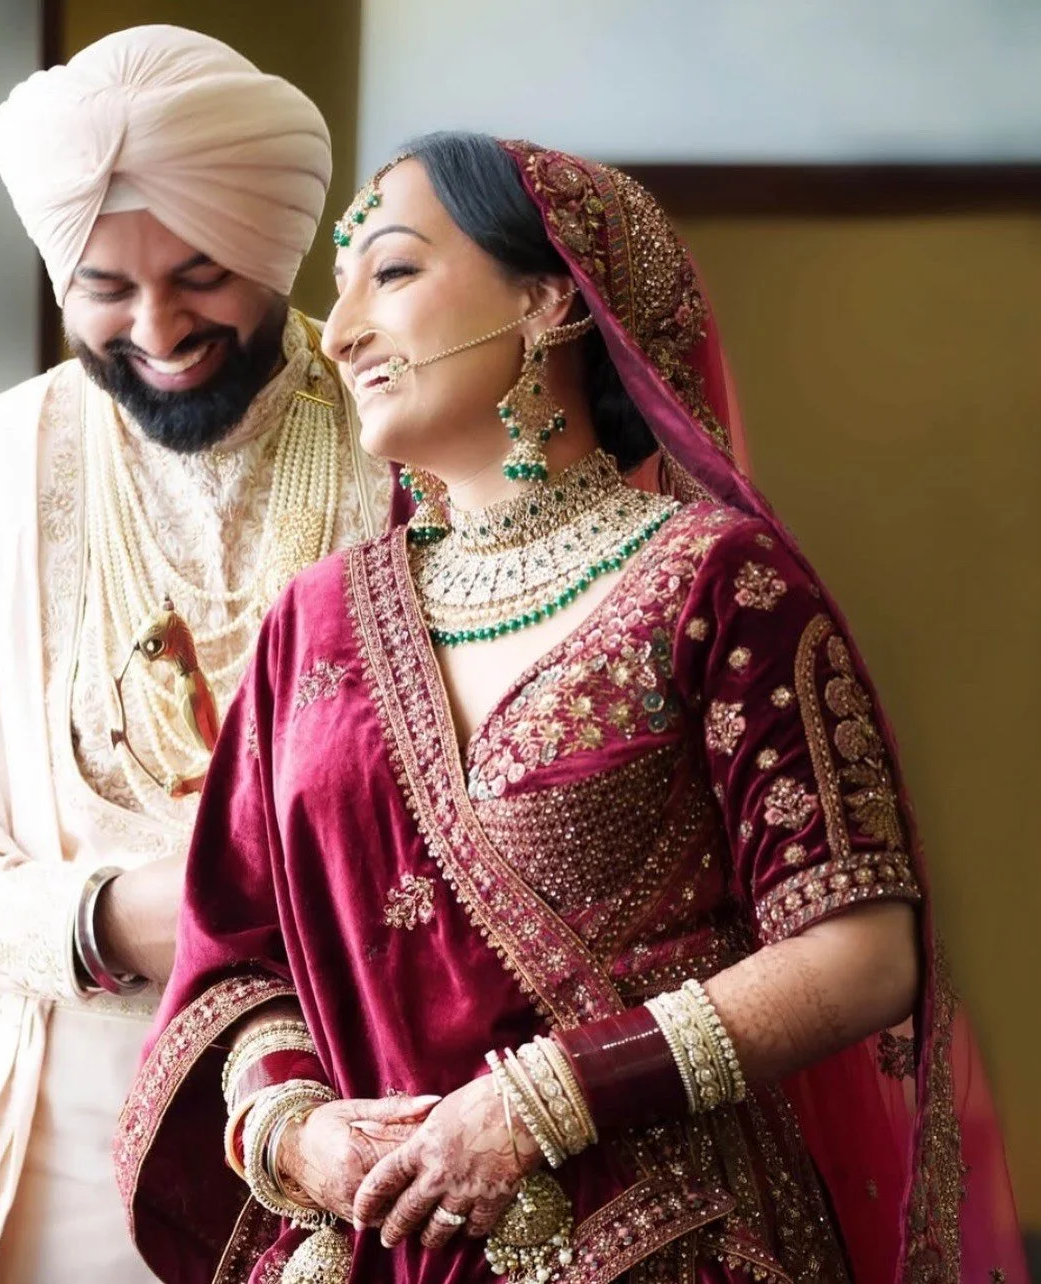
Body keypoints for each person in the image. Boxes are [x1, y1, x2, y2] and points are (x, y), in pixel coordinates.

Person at [116, 134, 1025, 1284]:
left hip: (668, 1241)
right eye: (338, 288)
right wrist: (303, 1135)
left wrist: (536, 1106)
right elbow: (235, 957)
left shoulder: (720, 584)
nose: (338, 331)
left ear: (549, 300)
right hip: (391, 1241)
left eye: (389, 272)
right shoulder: (316, 624)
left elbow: (861, 951)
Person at [0, 25, 393, 1284]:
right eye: (105, 287)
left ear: (277, 244)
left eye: (202, 271)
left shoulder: (413, 455)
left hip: (389, 1109)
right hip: (67, 1136)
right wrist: (108, 921)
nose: (158, 326)